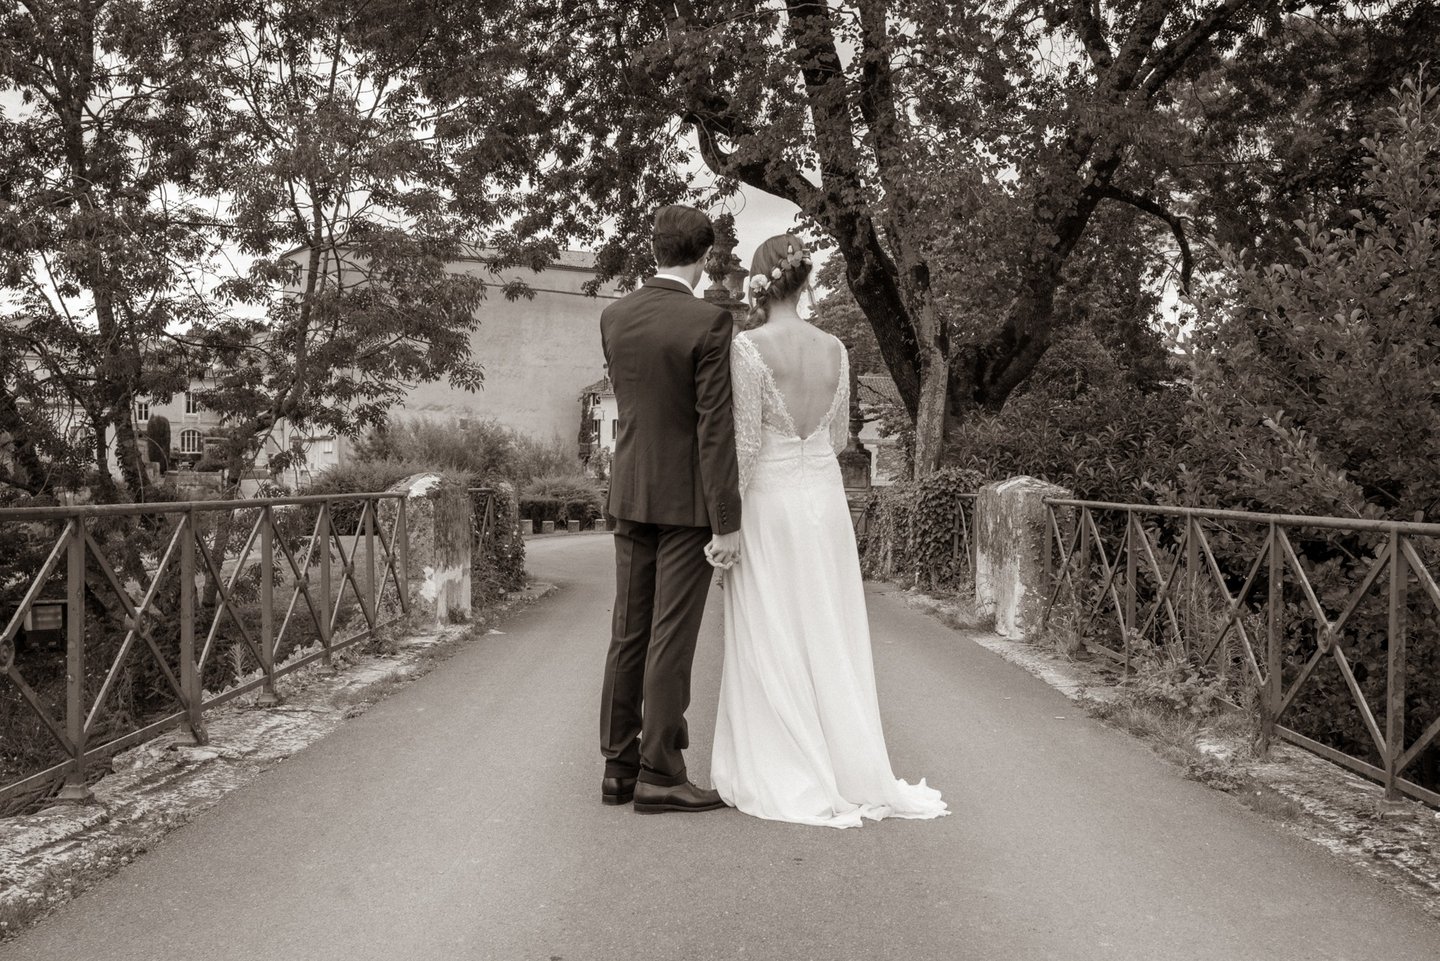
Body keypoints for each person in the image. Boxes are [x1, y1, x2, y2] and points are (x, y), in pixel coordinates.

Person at [709, 234, 950, 828]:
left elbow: (742, 444)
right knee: (826, 626)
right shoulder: (837, 349)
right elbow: (841, 439)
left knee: (771, 625)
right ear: (805, 281)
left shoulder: (747, 349)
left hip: (769, 502)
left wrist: (725, 527)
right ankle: (847, 763)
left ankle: (786, 762)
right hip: (823, 500)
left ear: (760, 286)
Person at [597, 204, 742, 814]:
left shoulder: (615, 316)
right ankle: (661, 771)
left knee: (628, 631)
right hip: (685, 506)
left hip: (629, 493)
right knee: (670, 639)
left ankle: (617, 767)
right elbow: (714, 429)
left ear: (653, 247)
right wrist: (727, 523)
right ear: (705, 256)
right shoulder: (709, 323)